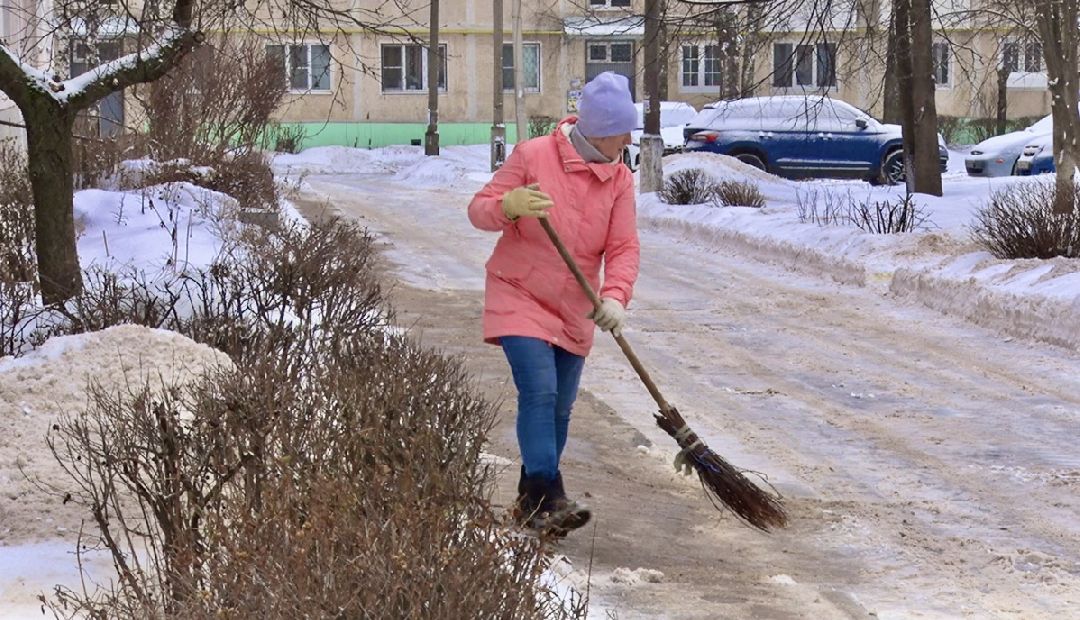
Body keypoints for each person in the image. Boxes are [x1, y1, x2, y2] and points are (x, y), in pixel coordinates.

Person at [467, 72, 641, 533]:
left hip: (574, 307)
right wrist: (510, 204)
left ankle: (531, 503)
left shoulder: (620, 180)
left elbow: (623, 247)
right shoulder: (533, 156)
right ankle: (549, 493)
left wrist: (615, 297)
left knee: (560, 407)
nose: (627, 140)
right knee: (539, 391)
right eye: (622, 131)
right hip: (519, 293)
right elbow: (478, 209)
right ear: (600, 129)